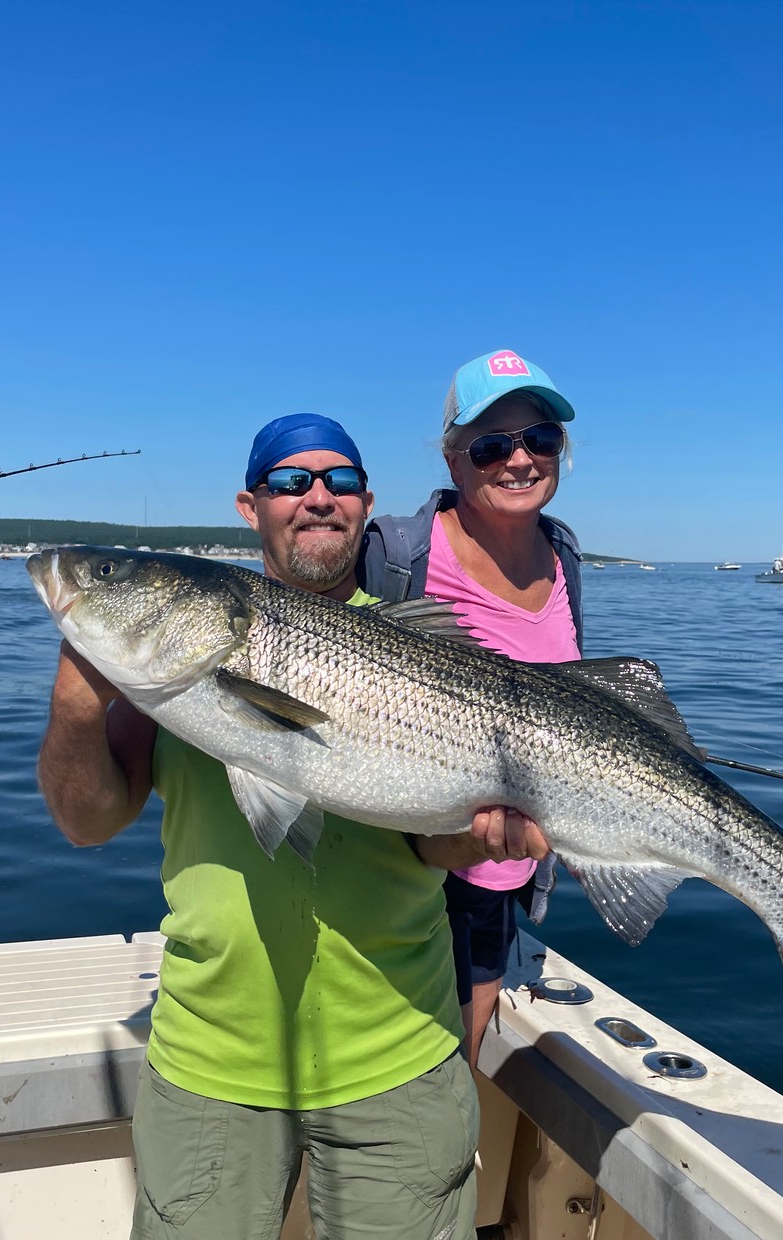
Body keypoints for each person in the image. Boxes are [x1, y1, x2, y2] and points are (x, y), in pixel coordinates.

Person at [36, 412, 528, 1240]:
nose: (317, 499)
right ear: (250, 506)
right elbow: (87, 824)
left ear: (367, 504)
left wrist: (483, 837)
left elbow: (429, 844)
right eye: (291, 483)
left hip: (399, 1054)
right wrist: (77, 704)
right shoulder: (162, 677)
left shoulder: (427, 648)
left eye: (339, 482)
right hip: (211, 1063)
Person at [362, 349, 583, 1065]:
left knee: (456, 1063)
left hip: (503, 866)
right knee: (391, 1070)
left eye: (540, 438)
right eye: (492, 445)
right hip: (401, 868)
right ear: (455, 462)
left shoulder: (563, 554)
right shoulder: (397, 554)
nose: (519, 459)